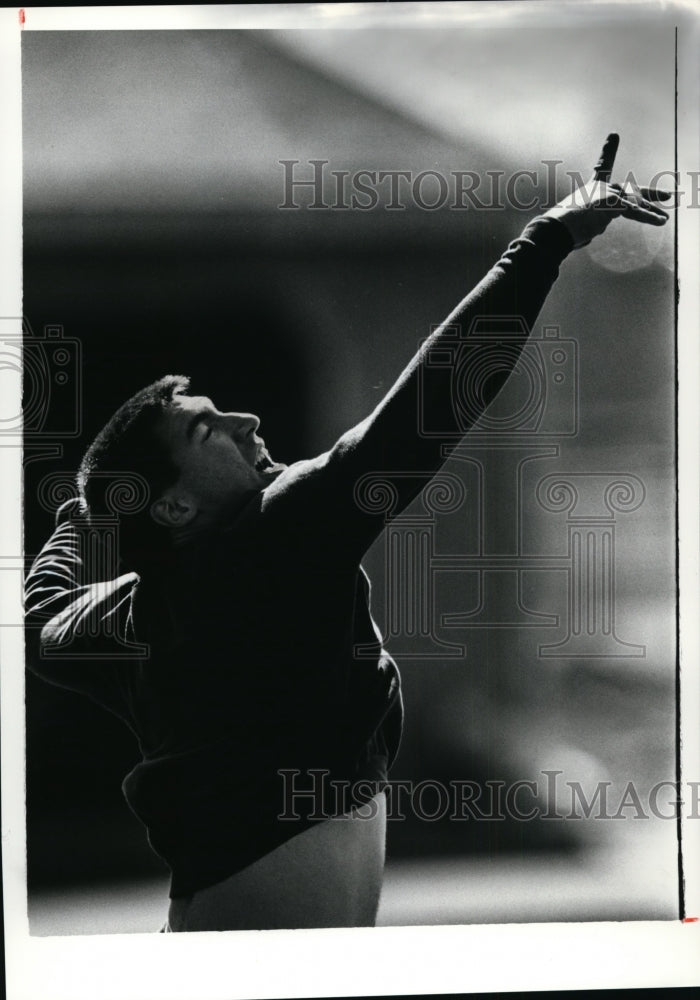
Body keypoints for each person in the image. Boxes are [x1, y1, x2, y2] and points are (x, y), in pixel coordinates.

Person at [24, 136, 670, 931]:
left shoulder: (129, 614)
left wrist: (81, 516)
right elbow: (425, 412)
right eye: (207, 431)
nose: (245, 419)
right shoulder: (269, 541)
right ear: (175, 510)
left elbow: (40, 618)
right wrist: (544, 243)